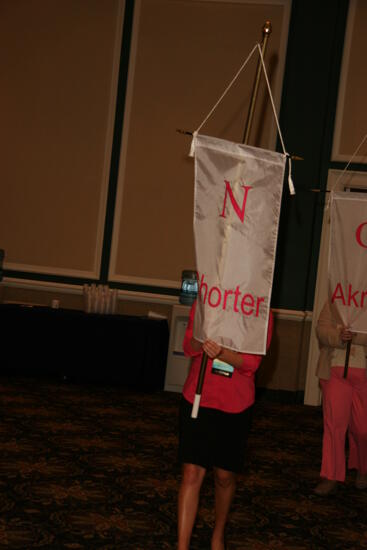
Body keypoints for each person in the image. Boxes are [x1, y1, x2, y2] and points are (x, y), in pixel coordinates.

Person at [177, 300, 273, 550]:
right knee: (191, 472)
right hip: (198, 396)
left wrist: (222, 353)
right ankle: (181, 546)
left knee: (224, 475)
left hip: (236, 402)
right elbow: (189, 346)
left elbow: (252, 363)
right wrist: (202, 340)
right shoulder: (206, 300)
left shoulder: (260, 306)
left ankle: (218, 533)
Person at [314, 300, 367, 496]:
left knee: (362, 429)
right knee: (334, 426)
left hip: (364, 374)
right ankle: (331, 475)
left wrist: (357, 336)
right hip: (335, 370)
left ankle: (363, 468)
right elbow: (320, 330)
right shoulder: (335, 298)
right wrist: (339, 335)